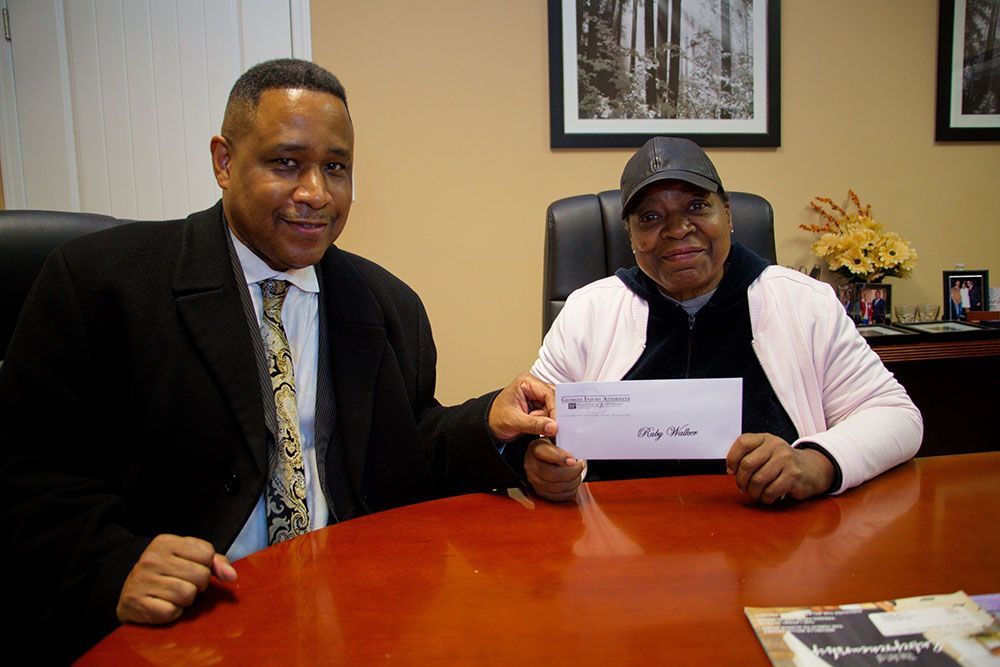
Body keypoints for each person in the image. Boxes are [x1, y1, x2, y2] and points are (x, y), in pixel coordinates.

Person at [0, 59, 555, 660]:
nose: (315, 193)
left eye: (335, 168)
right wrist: (112, 565)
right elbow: (27, 473)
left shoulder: (389, 306)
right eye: (285, 162)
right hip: (186, 627)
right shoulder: (99, 285)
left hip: (352, 614)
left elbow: (405, 446)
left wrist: (488, 425)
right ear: (224, 161)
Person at [523, 137, 922, 504]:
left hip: (773, 552)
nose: (677, 230)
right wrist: (536, 460)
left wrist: (816, 463)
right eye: (650, 217)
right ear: (630, 236)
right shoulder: (588, 311)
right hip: (617, 549)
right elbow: (533, 427)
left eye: (697, 207)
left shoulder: (803, 302)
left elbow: (896, 417)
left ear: (727, 215)